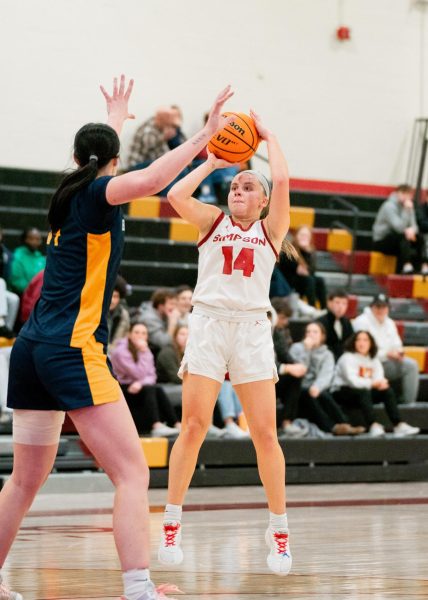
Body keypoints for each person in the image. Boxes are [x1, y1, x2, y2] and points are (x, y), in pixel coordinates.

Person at [0, 73, 234, 600]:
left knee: (23, 480)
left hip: (32, 349)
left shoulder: (69, 193)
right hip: (71, 349)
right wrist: (203, 137)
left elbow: (101, 160)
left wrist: (114, 121)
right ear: (111, 160)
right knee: (132, 473)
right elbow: (149, 180)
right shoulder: (103, 192)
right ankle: (138, 589)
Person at [157, 109, 295, 576]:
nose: (239, 190)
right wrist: (212, 162)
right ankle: (172, 521)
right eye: (236, 186)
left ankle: (278, 530)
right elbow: (175, 193)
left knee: (265, 435)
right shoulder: (212, 221)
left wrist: (269, 135)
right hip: (210, 324)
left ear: (263, 200)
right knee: (193, 427)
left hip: (253, 328)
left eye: (247, 186)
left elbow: (281, 175)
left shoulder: (272, 230)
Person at [332, 331, 420, 437]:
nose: (361, 343)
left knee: (387, 391)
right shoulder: (347, 358)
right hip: (342, 392)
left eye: (365, 340)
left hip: (364, 392)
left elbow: (379, 377)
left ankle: (399, 425)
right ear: (353, 343)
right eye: (358, 340)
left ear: (371, 343)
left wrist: (381, 383)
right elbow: (353, 381)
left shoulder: (373, 359)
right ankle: (373, 425)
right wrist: (374, 383)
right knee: (363, 392)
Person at [289, 322, 365, 436]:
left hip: (316, 390)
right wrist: (306, 350)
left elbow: (326, 375)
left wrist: (317, 387)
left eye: (315, 332)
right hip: (297, 389)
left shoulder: (327, 354)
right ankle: (331, 427)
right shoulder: (296, 348)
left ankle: (345, 424)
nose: (311, 334)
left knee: (323, 394)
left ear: (322, 336)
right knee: (308, 392)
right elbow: (299, 371)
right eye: (308, 332)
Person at [110, 322, 180, 437]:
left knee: (157, 389)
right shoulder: (120, 352)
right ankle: (156, 425)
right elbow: (137, 373)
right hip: (123, 387)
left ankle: (176, 424)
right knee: (149, 388)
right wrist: (144, 352)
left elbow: (152, 375)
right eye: (136, 332)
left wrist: (140, 383)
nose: (140, 336)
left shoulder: (144, 350)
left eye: (143, 333)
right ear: (129, 334)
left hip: (138, 385)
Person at [353, 293, 419, 404]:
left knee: (411, 365)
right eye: (378, 306)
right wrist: (386, 354)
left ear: (388, 308)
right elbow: (362, 350)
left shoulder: (390, 323)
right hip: (366, 364)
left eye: (384, 307)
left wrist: (398, 352)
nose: (381, 310)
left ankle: (409, 404)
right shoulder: (361, 322)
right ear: (372, 307)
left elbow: (397, 345)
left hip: (386, 363)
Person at [372, 184, 427, 274]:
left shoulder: (409, 205)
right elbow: (399, 228)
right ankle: (407, 265)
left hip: (399, 239)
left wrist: (412, 230)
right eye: (403, 194)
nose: (406, 197)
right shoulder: (388, 206)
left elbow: (415, 226)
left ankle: (424, 266)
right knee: (403, 237)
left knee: (419, 237)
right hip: (381, 241)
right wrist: (406, 210)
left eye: (408, 195)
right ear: (397, 193)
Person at [270, 297, 306, 436]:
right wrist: (287, 368)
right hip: (258, 376)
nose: (285, 323)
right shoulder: (257, 331)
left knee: (295, 378)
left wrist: (297, 366)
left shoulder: (278, 332)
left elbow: (284, 354)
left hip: (273, 374)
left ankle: (287, 422)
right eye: (282, 318)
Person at [277, 225, 327, 308]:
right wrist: (299, 267)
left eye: (306, 235)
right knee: (309, 280)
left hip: (303, 280)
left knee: (319, 280)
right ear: (296, 236)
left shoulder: (310, 251)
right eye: (301, 235)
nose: (304, 237)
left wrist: (308, 253)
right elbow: (293, 269)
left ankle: (324, 308)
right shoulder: (289, 249)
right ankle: (312, 307)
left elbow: (311, 271)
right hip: (288, 282)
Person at [139, 288, 180, 356]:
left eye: (176, 304)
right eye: (171, 304)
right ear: (160, 306)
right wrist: (172, 323)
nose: (174, 308)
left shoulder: (166, 315)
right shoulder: (149, 319)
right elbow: (164, 343)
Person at [317, 289, 354, 361]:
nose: (341, 307)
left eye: (344, 303)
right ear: (329, 303)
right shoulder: (320, 322)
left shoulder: (347, 322)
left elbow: (351, 343)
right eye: (337, 303)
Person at [8, 227, 46, 295]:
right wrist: (32, 291)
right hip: (24, 294)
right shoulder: (17, 256)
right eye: (31, 239)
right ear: (25, 239)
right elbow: (16, 281)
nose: (35, 242)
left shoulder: (41, 258)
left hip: (41, 294)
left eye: (38, 239)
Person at [0, 227, 19, 335]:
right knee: (0, 282)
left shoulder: (5, 252)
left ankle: (7, 328)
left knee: (14, 299)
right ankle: (1, 323)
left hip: (1, 289)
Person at [107, 275, 131, 349]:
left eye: (115, 296)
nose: (112, 301)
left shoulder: (124, 315)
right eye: (109, 296)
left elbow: (124, 339)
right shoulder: (94, 313)